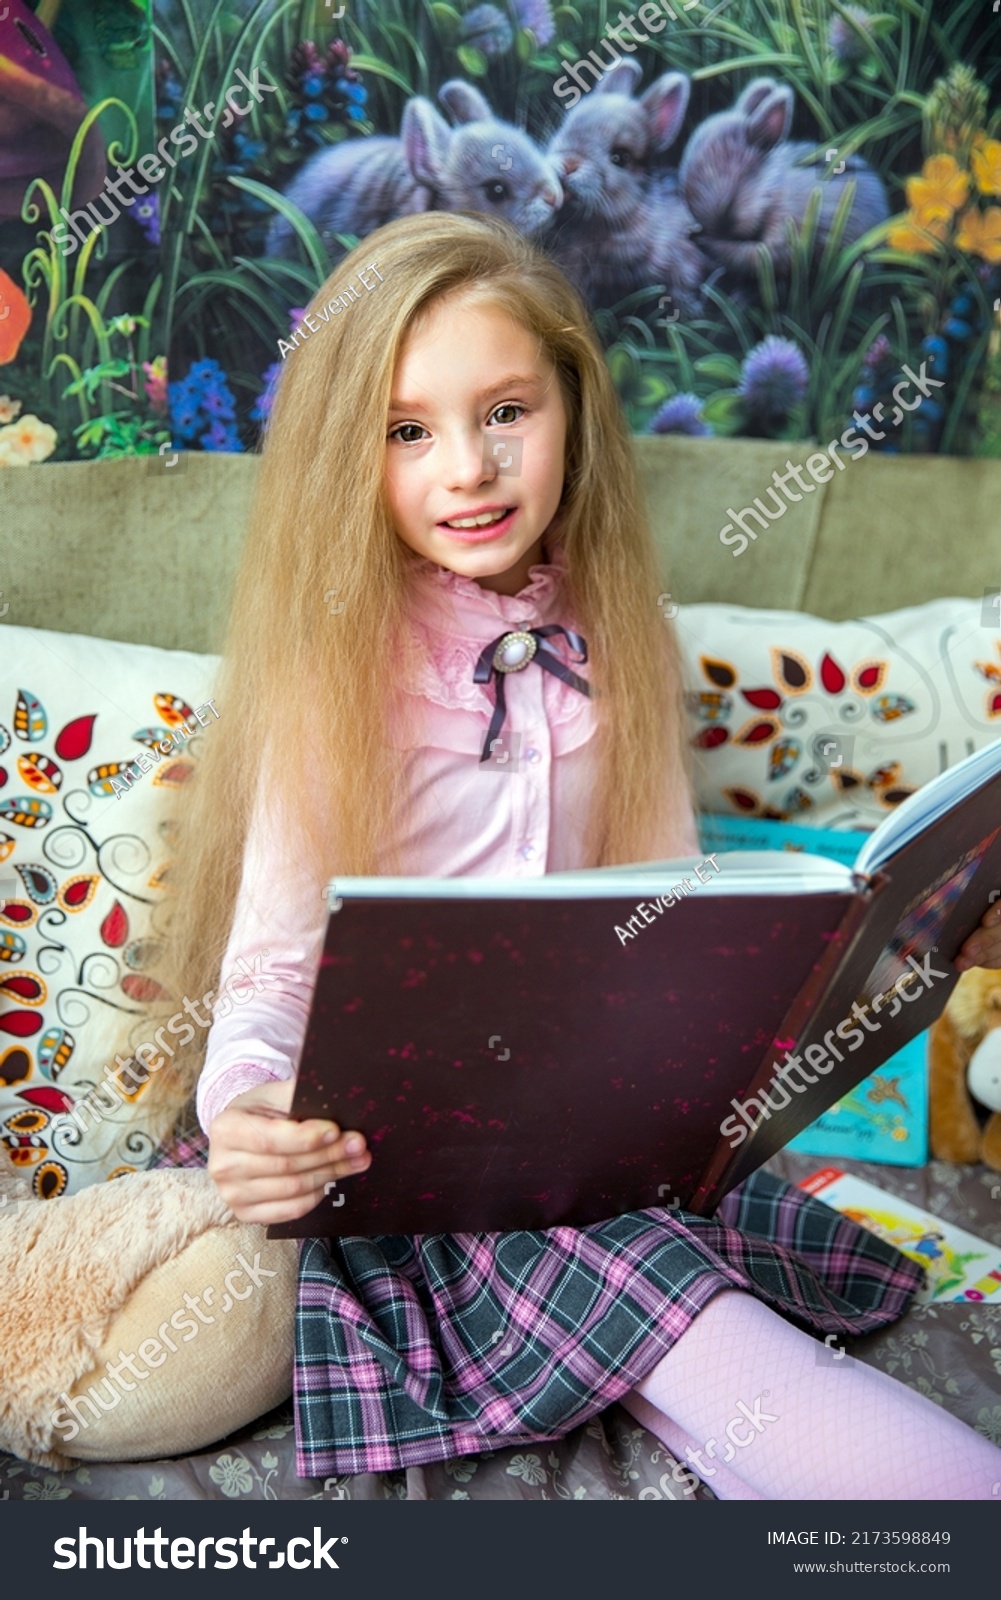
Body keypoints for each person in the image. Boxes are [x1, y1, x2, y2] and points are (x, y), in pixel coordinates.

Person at [152, 211, 1001, 1499]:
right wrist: (248, 1112)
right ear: (351, 454)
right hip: (414, 1174)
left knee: (701, 1320)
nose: (469, 470)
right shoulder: (334, 675)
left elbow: (662, 919)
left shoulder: (620, 642)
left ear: (572, 412)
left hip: (592, 1148)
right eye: (407, 430)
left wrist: (904, 936)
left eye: (507, 412)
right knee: (719, 1347)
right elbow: (269, 979)